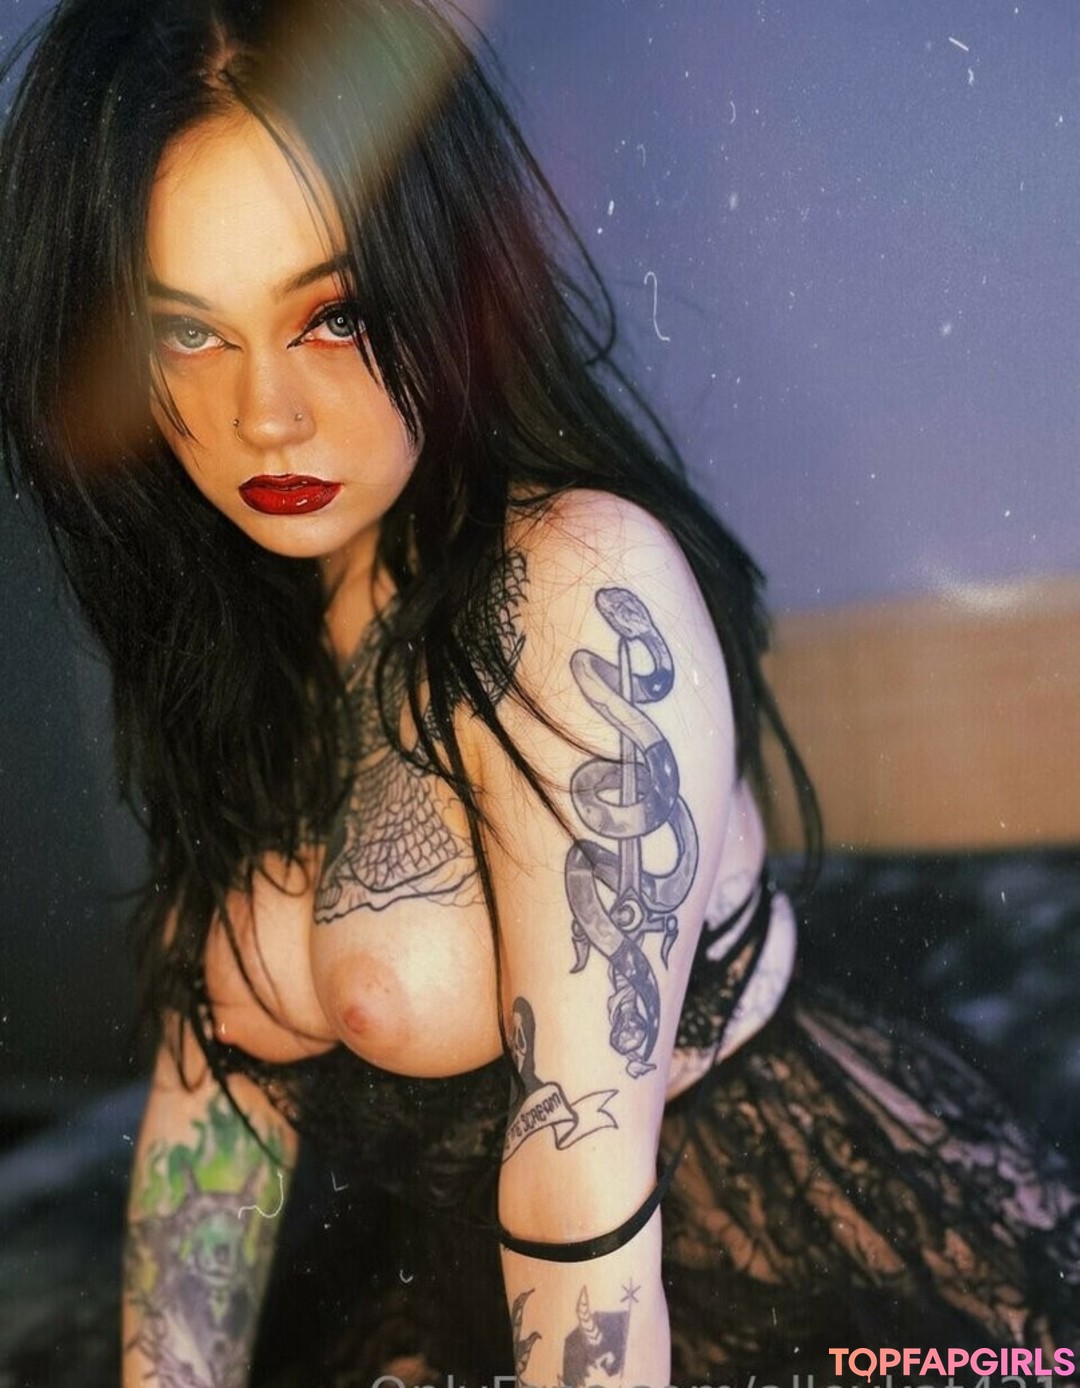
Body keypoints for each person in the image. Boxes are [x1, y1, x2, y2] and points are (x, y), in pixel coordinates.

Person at [0, 2, 1077, 1384]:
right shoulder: (243, 625)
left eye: (332, 315)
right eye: (190, 335)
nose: (265, 416)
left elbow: (580, 1187)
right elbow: (211, 1098)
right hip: (457, 1272)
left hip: (752, 1278)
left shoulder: (576, 590)